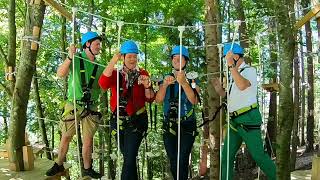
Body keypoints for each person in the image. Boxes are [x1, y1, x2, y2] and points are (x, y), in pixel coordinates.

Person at [212, 43, 276, 180]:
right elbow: (230, 97)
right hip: (234, 121)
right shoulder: (232, 75)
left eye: (227, 57)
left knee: (258, 156)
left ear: (235, 56)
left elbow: (242, 85)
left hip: (248, 118)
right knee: (226, 157)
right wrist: (219, 90)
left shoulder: (249, 70)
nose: (226, 60)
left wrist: (231, 66)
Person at [46, 31, 103, 179]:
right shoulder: (76, 59)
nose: (99, 47)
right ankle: (58, 164)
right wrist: (70, 56)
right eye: (97, 44)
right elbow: (60, 74)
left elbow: (103, 86)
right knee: (66, 136)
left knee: (88, 140)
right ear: (88, 44)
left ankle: (87, 168)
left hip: (91, 106)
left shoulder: (99, 65)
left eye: (99, 44)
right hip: (73, 104)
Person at [98, 40, 155, 180]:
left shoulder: (142, 74)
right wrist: (113, 60)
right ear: (123, 57)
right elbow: (103, 84)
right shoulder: (116, 74)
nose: (132, 59)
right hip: (118, 121)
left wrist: (147, 86)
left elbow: (150, 98)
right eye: (129, 56)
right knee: (128, 157)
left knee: (129, 157)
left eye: (135, 56)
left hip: (137, 120)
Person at [155, 45, 200, 180]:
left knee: (183, 158)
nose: (176, 61)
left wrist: (184, 83)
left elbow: (194, 101)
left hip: (187, 123)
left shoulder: (192, 79)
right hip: (170, 124)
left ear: (186, 61)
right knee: (173, 159)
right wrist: (164, 85)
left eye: (180, 58)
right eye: (174, 58)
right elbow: (158, 100)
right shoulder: (165, 78)